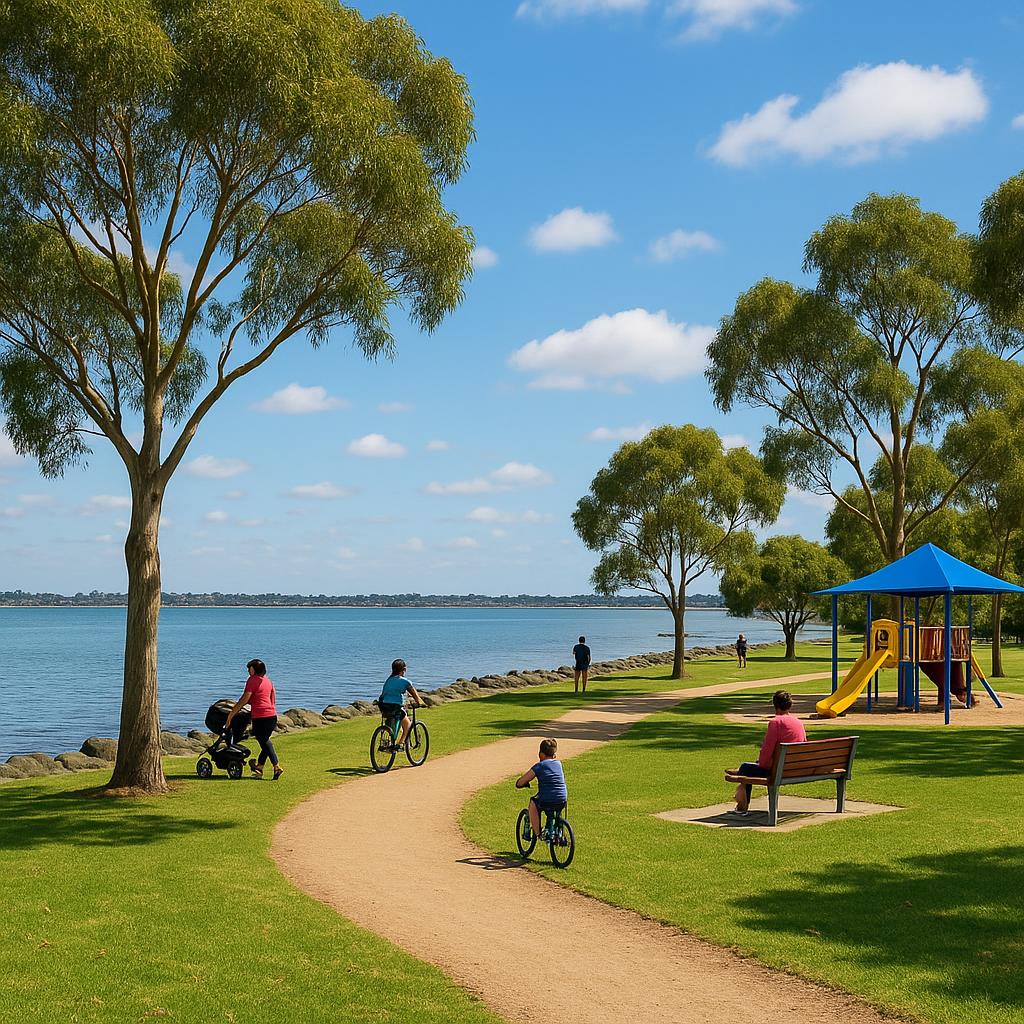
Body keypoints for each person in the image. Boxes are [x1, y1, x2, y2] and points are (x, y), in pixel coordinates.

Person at [725, 690, 805, 815]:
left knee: (746, 768)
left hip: (778, 770)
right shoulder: (799, 723)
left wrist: (761, 764)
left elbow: (767, 751)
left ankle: (742, 807)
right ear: (789, 705)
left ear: (775, 705)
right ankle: (741, 771)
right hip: (795, 768)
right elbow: (803, 744)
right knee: (747, 767)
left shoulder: (775, 723)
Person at [224, 658, 282, 780]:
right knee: (265, 742)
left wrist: (231, 714)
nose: (248, 671)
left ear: (255, 669)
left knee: (265, 742)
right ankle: (259, 767)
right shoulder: (268, 681)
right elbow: (272, 699)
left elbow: (244, 699)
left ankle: (276, 766)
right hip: (272, 716)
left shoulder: (252, 680)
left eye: (249, 668)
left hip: (261, 717)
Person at [515, 737, 568, 840]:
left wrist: (523, 784)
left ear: (540, 754)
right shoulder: (559, 764)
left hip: (547, 799)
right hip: (562, 799)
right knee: (554, 809)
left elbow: (519, 783)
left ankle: (539, 834)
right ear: (554, 755)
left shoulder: (539, 766)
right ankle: (556, 830)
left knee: (533, 802)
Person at [378, 658, 424, 749]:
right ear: (404, 669)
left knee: (393, 721)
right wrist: (419, 702)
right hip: (396, 707)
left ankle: (389, 740)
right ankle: (400, 743)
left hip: (385, 706)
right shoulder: (404, 681)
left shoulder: (388, 680)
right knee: (408, 725)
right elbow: (413, 693)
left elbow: (383, 694)